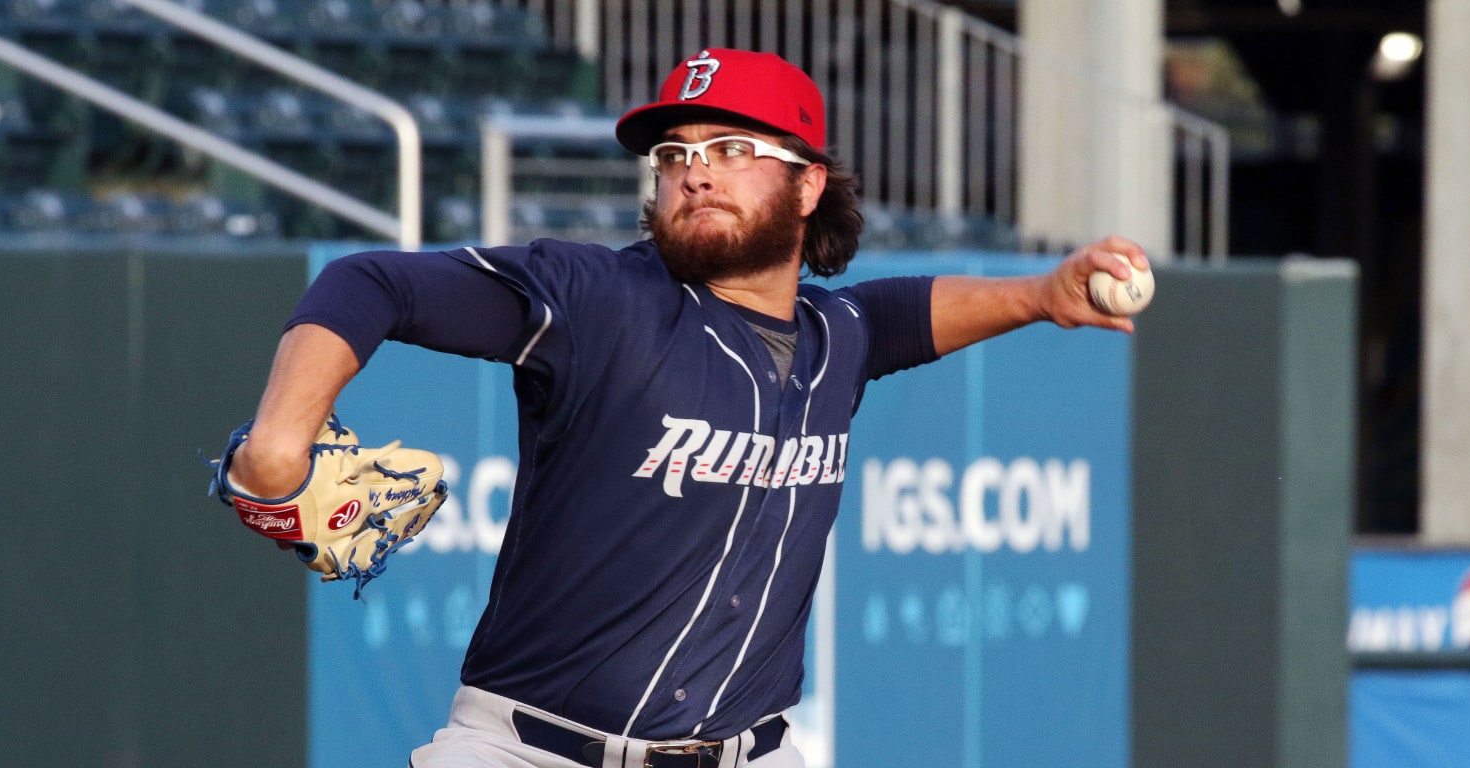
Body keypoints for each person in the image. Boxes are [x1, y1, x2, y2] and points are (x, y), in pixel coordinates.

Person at [224, 47, 1148, 768]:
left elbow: (905, 311)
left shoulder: (841, 337)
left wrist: (1042, 292)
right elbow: (371, 280)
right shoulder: (594, 300)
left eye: (734, 150)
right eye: (676, 156)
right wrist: (277, 445)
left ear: (809, 182)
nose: (696, 172)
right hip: (530, 748)